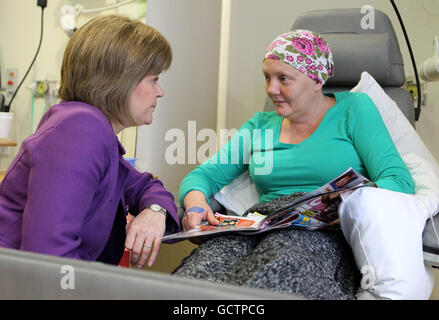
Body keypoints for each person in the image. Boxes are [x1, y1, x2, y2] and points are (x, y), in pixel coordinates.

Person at [172, 30, 426, 299]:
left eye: (284, 78)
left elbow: (397, 180)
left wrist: (348, 202)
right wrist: (196, 205)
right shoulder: (260, 126)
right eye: (267, 77)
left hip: (320, 232)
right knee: (196, 276)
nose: (271, 89)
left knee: (275, 273)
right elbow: (203, 176)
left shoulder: (354, 109)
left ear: (316, 80)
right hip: (257, 225)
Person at [0, 15, 180, 269]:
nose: (160, 91)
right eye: (154, 79)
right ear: (121, 79)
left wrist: (155, 212)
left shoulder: (89, 129)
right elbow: (49, 262)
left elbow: (146, 186)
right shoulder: (79, 130)